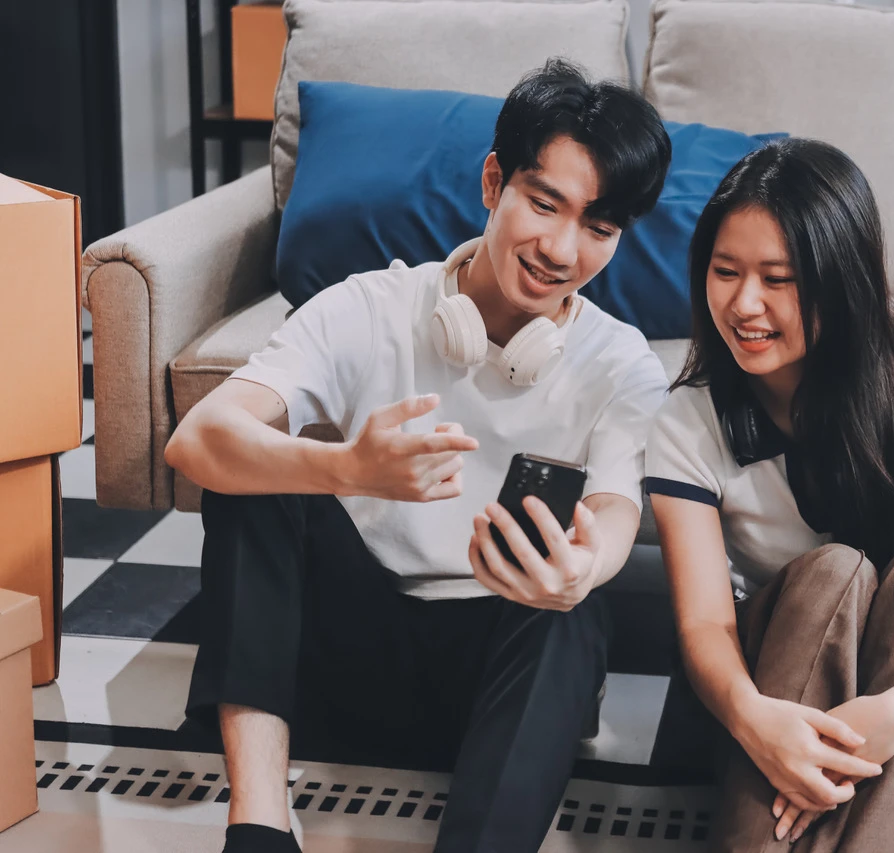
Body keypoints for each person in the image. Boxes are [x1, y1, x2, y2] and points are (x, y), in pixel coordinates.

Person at [165, 59, 673, 853]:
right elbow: (196, 439)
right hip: (348, 655)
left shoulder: (622, 363)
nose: (562, 248)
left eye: (599, 227)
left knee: (574, 610)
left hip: (499, 687)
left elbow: (615, 503)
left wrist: (585, 563)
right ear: (493, 181)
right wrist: (341, 468)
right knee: (255, 475)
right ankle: (260, 827)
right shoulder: (366, 309)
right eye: (544, 203)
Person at [644, 138, 894, 853]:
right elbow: (704, 625)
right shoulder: (688, 419)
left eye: (781, 278)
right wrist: (753, 719)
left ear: (842, 280)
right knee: (831, 572)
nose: (745, 303)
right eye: (725, 271)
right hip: (778, 676)